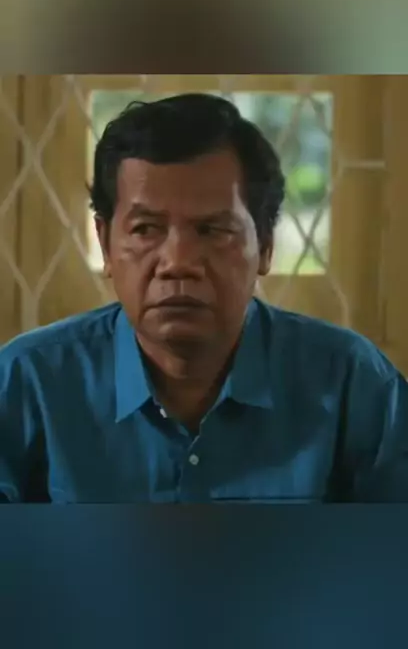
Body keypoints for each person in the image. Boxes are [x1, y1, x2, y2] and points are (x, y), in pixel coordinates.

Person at [1, 93, 407, 503]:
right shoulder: (27, 383)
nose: (178, 263)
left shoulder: (354, 385)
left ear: (265, 245)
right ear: (106, 244)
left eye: (213, 230)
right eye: (145, 229)